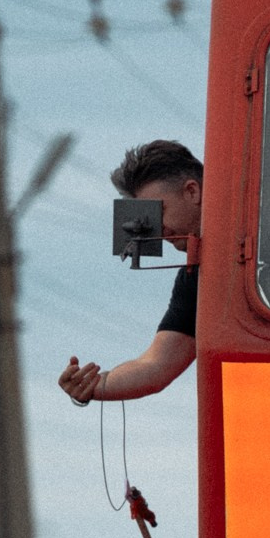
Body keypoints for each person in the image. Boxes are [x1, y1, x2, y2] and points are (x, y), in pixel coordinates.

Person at [59, 140, 202, 407]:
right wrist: (94, 385)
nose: (157, 229)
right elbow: (155, 365)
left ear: (192, 191)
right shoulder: (194, 280)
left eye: (160, 211)